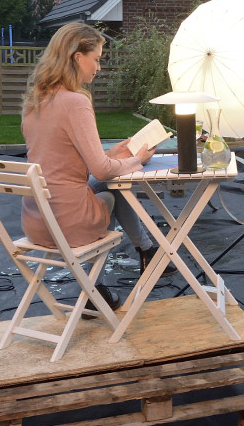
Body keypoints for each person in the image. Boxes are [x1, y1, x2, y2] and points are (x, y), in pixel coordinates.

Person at [20, 23, 160, 279]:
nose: (99, 67)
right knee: (113, 189)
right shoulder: (76, 103)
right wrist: (137, 160)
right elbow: (102, 171)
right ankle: (98, 285)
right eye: (96, 59)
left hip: (36, 223)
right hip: (69, 224)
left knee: (106, 181)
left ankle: (145, 252)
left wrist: (113, 155)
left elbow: (62, 160)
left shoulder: (35, 102)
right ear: (77, 57)